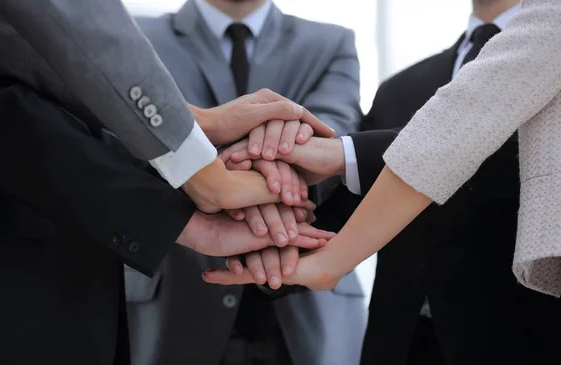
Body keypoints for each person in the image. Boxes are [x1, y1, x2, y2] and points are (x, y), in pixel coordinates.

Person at [0, 0, 333, 351]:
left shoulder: (330, 42)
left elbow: (3, 34)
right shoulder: (148, 31)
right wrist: (205, 174)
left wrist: (197, 126)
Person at [209, 0, 561, 341]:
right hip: (400, 343)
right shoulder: (399, 88)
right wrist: (271, 209)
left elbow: (482, 144)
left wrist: (341, 153)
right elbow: (345, 206)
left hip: (525, 336)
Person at [126, 1, 365, 364]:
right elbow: (123, 138)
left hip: (307, 308)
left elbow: (333, 135)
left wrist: (234, 164)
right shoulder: (137, 35)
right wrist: (273, 165)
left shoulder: (331, 42)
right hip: (177, 304)